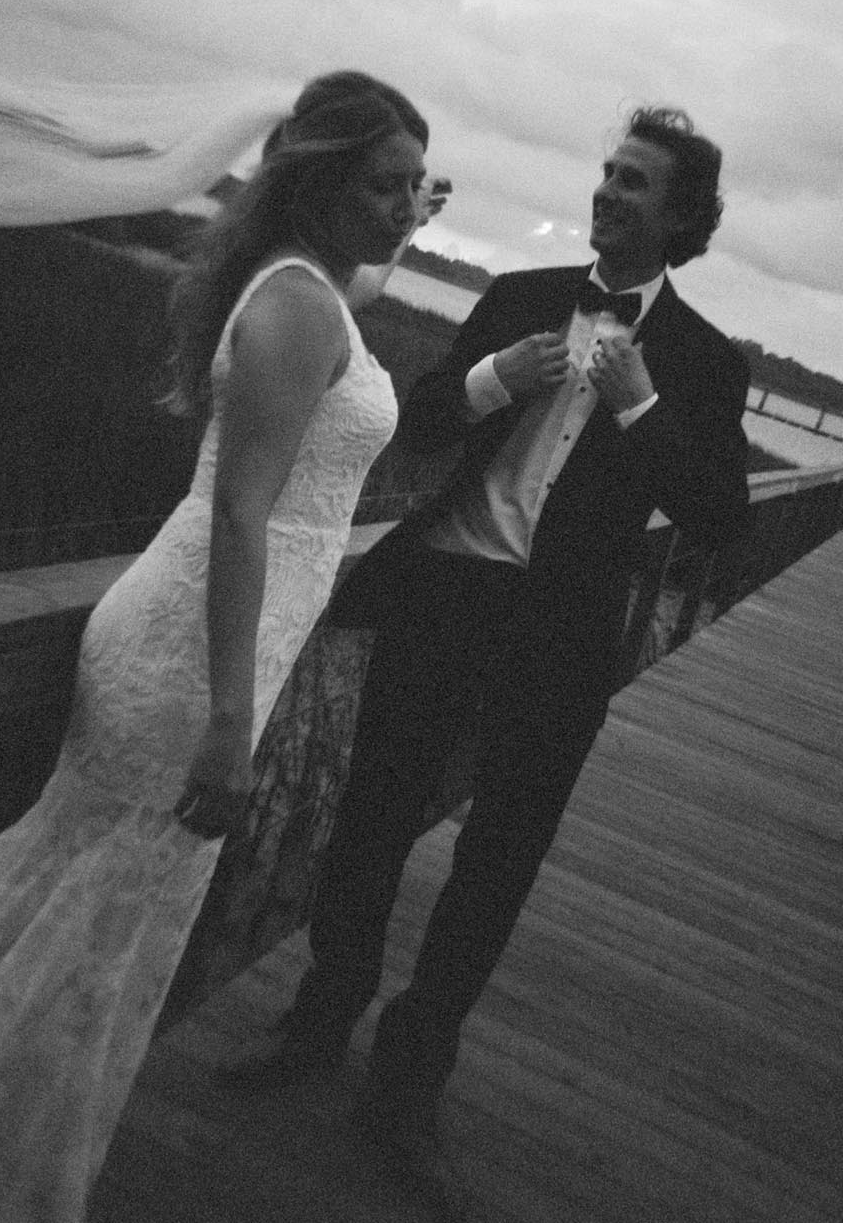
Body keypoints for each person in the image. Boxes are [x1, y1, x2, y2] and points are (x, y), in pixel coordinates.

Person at [0, 70, 435, 1222]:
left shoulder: (311, 285)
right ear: (316, 182)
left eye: (420, 187)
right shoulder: (302, 308)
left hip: (212, 644)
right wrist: (229, 719)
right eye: (385, 186)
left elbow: (311, 427)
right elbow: (242, 514)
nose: (407, 208)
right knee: (84, 941)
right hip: (192, 664)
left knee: (83, 934)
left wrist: (476, 356)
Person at [224, 105, 751, 1182]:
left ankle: (408, 1085)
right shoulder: (518, 297)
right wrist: (494, 377)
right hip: (446, 589)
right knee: (371, 821)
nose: (607, 190)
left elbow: (719, 518)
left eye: (635, 181)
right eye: (608, 171)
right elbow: (420, 426)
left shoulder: (705, 363)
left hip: (561, 635)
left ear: (682, 217)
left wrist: (642, 406)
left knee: (497, 866)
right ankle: (318, 1022)